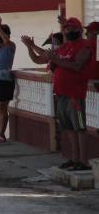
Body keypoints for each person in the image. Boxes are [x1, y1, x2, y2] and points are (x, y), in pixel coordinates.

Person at [21, 17, 92, 171]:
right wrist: (31, 46)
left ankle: (84, 161)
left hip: (75, 95)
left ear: (79, 30)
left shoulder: (84, 46)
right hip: (61, 94)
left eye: (71, 28)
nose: (68, 31)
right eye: (66, 29)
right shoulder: (64, 48)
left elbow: (77, 66)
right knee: (69, 128)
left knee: (80, 127)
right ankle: (74, 159)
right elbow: (42, 58)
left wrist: (56, 60)